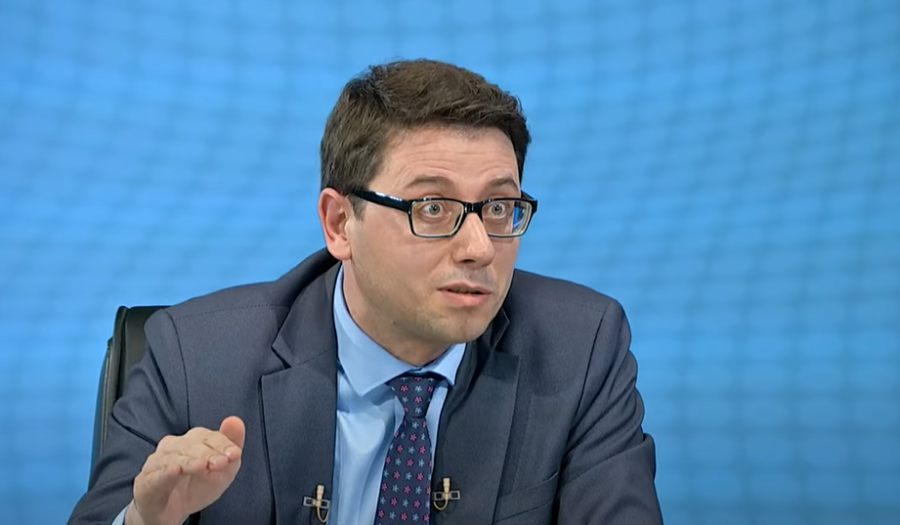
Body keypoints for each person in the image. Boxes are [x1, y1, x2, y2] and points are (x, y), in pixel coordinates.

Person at [68, 58, 663, 525]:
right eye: (433, 207)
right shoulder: (195, 359)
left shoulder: (581, 350)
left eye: (500, 207)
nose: (480, 246)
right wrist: (146, 522)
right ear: (339, 224)